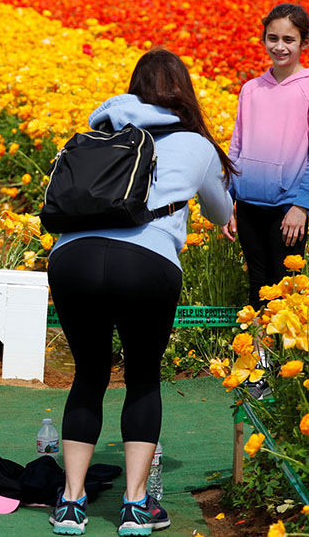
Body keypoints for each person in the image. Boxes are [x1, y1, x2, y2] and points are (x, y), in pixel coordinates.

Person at [46, 49, 234, 536]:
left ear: (133, 88)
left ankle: (70, 504)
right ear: (183, 92)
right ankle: (134, 505)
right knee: (143, 377)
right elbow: (218, 212)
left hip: (74, 259)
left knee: (88, 374)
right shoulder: (195, 143)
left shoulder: (99, 128)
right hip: (145, 262)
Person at [221, 4, 309, 312]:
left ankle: (282, 353)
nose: (279, 47)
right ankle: (257, 354)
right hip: (247, 204)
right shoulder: (251, 89)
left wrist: (301, 205)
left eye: (289, 40)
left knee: (284, 281)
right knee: (257, 281)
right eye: (273, 38)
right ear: (263, 39)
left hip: (287, 207)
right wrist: (225, 199)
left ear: (304, 43)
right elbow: (236, 149)